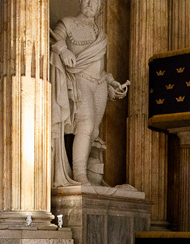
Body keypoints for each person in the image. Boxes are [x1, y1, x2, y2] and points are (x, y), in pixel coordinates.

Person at [50, 0, 129, 187]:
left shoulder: (100, 34)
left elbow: (101, 67)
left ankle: (86, 172)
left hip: (100, 83)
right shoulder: (67, 23)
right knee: (86, 123)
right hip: (80, 79)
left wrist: (111, 82)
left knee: (93, 131)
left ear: (100, 7)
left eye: (95, 1)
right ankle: (79, 174)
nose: (89, 3)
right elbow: (53, 39)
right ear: (80, 2)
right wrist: (63, 50)